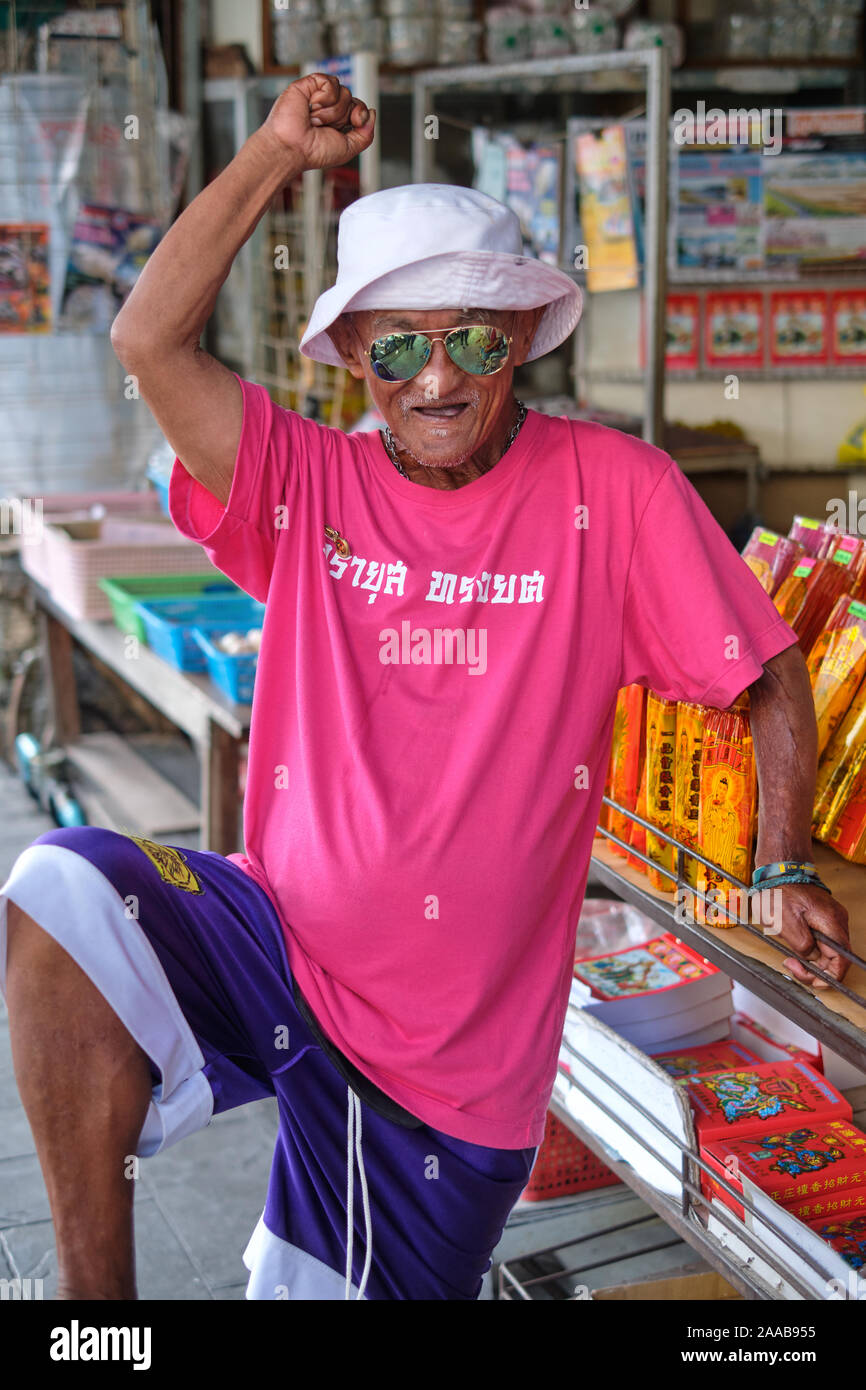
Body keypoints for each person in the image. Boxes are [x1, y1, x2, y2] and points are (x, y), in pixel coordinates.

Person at [1, 73, 851, 1302]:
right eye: (396, 343)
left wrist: (778, 867)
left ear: (518, 341)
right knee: (61, 892)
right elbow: (146, 339)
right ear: (350, 352)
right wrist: (274, 156)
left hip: (445, 1082)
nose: (435, 377)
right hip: (279, 947)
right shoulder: (303, 479)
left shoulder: (613, 490)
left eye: (471, 337)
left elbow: (769, 670)